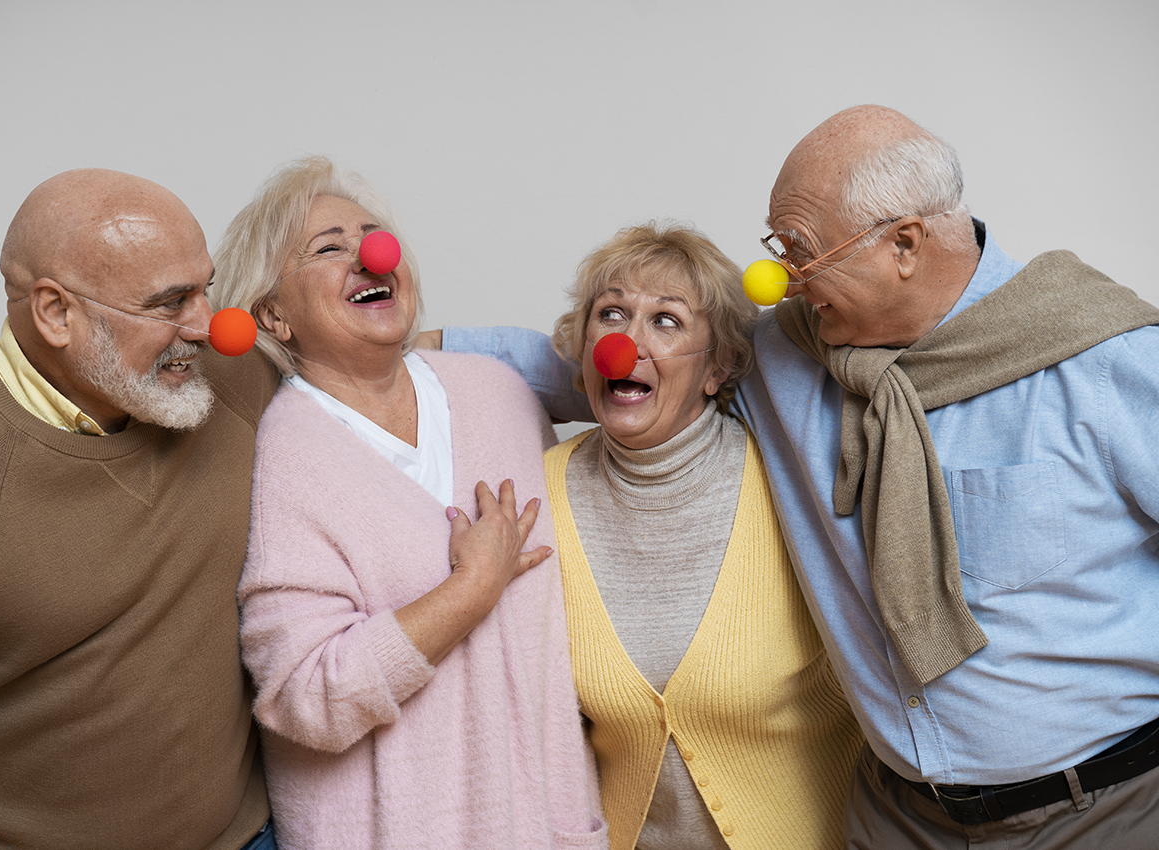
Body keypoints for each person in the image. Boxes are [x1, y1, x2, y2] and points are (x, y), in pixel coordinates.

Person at [441, 105, 1159, 849]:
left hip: (1103, 808)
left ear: (903, 245)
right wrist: (392, 351)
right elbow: (598, 370)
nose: (779, 280)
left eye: (801, 251)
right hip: (899, 819)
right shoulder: (788, 359)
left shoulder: (1102, 360)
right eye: (777, 249)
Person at [208, 156, 606, 850]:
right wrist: (470, 590)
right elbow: (305, 698)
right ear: (273, 313)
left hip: (547, 829)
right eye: (329, 248)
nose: (370, 255)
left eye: (374, 236)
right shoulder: (285, 457)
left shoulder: (499, 395)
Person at [0, 168, 280, 850]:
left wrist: (525, 363)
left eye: (206, 287)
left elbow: (376, 364)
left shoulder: (230, 380)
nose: (208, 324)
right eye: (168, 302)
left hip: (250, 837)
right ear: (55, 313)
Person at [544, 221, 862, 850]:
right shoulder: (539, 488)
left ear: (718, 367)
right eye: (610, 314)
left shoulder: (790, 477)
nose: (624, 345)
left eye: (666, 320)